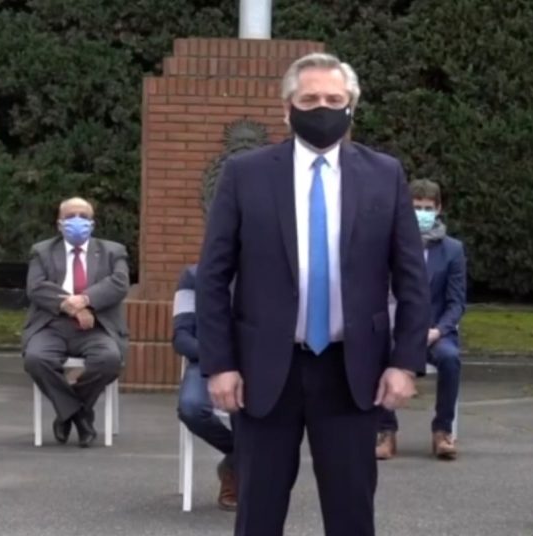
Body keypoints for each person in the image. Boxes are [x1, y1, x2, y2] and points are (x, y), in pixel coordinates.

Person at [195, 52, 431, 536]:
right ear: (287, 109)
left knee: (351, 515)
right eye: (309, 100)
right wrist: (219, 364)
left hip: (352, 372)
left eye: (333, 99)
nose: (322, 108)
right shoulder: (245, 174)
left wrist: (405, 363)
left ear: (351, 107)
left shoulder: (384, 174)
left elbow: (411, 278)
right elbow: (214, 277)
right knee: (258, 514)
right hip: (264, 372)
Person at [22, 197, 129, 447]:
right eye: (70, 216)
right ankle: (80, 415)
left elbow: (119, 283)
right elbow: (36, 287)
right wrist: (72, 308)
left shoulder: (113, 251)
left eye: (84, 216)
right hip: (52, 325)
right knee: (36, 359)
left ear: (93, 223)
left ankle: (67, 412)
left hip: (96, 326)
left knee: (109, 360)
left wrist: (85, 300)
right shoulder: (42, 251)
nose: (77, 221)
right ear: (59, 224)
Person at [376, 179, 467, 461]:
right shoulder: (391, 245)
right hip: (399, 330)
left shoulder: (453, 250)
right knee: (377, 353)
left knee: (450, 358)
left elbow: (456, 302)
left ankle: (442, 431)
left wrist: (438, 330)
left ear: (438, 209)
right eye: (417, 207)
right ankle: (386, 431)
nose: (423, 213)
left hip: (435, 333)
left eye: (428, 208)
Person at [172, 264, 237, 510]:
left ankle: (236, 470)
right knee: (191, 407)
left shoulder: (266, 272)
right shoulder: (193, 276)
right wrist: (219, 358)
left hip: (254, 364)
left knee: (260, 406)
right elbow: (181, 336)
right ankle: (239, 457)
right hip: (207, 360)